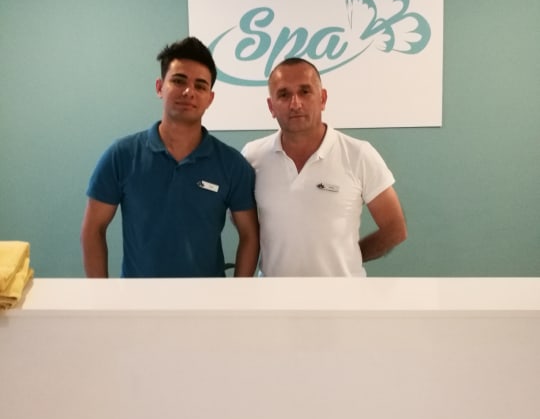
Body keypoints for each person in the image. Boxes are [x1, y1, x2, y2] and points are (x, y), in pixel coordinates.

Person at [81, 37, 259, 278]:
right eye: (178, 81)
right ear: (159, 87)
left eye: (200, 86)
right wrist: (101, 295)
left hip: (208, 299)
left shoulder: (232, 164)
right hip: (137, 299)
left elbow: (250, 235)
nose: (189, 92)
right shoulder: (121, 156)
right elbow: (93, 229)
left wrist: (238, 293)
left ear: (210, 98)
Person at [241, 57, 407, 277]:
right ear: (271, 107)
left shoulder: (358, 154)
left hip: (343, 295)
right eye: (284, 94)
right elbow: (246, 229)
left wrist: (351, 257)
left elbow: (395, 229)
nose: (295, 103)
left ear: (323, 98)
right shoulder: (252, 157)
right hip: (273, 294)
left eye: (305, 92)